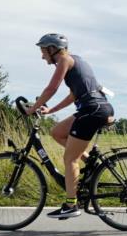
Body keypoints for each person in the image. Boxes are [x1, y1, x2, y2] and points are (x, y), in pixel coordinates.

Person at [25, 33, 114, 219]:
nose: (42, 57)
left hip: (92, 110)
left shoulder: (64, 60)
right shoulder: (77, 60)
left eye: (43, 51)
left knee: (70, 159)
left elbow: (51, 88)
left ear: (52, 49)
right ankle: (89, 160)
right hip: (96, 108)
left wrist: (32, 108)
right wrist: (50, 110)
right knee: (56, 132)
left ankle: (71, 205)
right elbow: (73, 95)